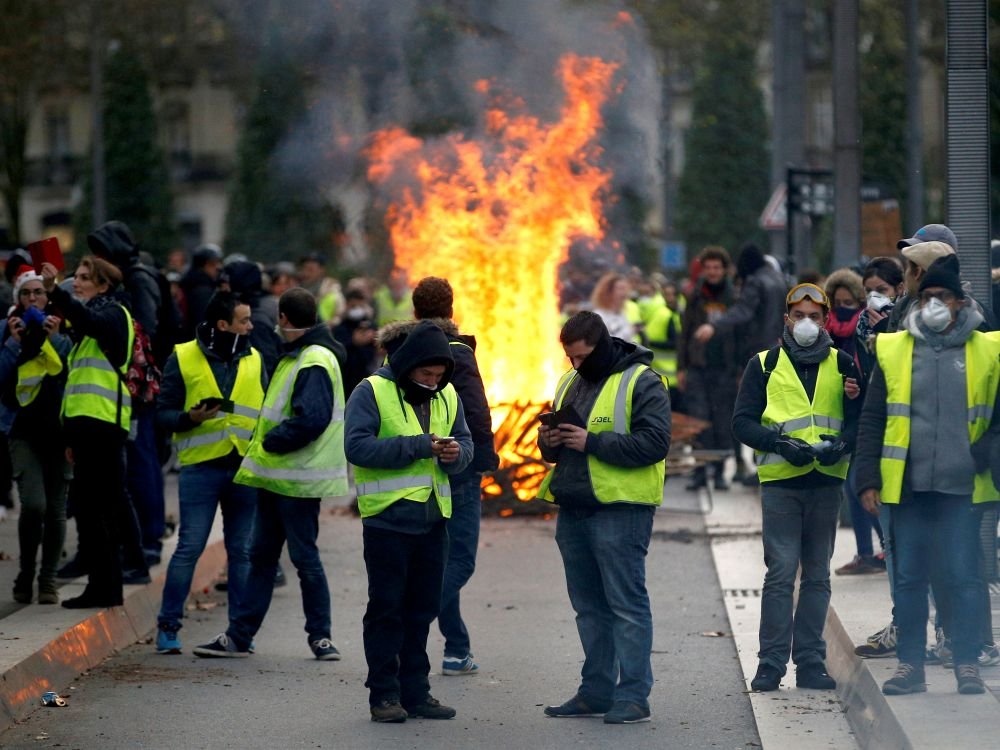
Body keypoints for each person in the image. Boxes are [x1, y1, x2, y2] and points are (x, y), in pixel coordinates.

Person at [854, 253, 1000, 697]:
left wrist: (988, 449)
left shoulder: (988, 348)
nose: (934, 304)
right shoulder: (896, 349)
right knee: (911, 579)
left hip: (963, 487)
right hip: (909, 487)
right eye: (928, 297)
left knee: (965, 577)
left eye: (943, 297)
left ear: (960, 302)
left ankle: (967, 663)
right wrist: (867, 478)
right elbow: (873, 416)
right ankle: (910, 667)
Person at [194, 288, 348, 660]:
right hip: (279, 479)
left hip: (294, 479)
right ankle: (241, 636)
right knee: (264, 558)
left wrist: (274, 442)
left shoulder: (312, 359)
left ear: (282, 319)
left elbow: (311, 417)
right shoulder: (301, 355)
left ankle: (318, 637)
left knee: (300, 559)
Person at [537, 311, 670, 725]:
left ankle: (632, 696)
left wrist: (591, 442)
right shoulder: (569, 381)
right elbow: (557, 451)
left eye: (582, 357)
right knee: (589, 608)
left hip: (621, 508)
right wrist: (550, 441)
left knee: (625, 604)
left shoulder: (641, 380)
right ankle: (595, 691)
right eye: (570, 358)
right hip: (575, 504)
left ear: (603, 344)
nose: (576, 365)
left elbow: (654, 443)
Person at [732, 283, 861, 692]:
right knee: (781, 573)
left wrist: (843, 443)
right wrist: (778, 443)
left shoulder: (843, 365)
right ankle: (770, 664)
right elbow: (742, 421)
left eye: (815, 316)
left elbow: (862, 421)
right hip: (781, 484)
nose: (807, 323)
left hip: (825, 482)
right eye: (799, 315)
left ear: (825, 321)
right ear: (786, 318)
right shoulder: (764, 365)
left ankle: (810, 663)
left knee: (818, 575)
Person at [345, 319, 473, 723]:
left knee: (421, 611)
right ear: (409, 366)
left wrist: (457, 456)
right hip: (387, 521)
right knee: (386, 610)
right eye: (426, 375)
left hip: (433, 520)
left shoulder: (448, 394)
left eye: (439, 376)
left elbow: (466, 441)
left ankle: (416, 692)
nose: (433, 383)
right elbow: (357, 446)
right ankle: (384, 694)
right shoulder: (371, 391)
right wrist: (420, 446)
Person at [154, 291, 265, 654]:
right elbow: (162, 413)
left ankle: (239, 633)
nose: (251, 326)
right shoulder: (183, 356)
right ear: (223, 325)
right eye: (244, 320)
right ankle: (168, 627)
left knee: (242, 552)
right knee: (189, 547)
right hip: (200, 468)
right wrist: (190, 418)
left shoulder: (255, 358)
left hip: (243, 468)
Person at [410, 276, 500, 676]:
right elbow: (476, 409)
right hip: (456, 464)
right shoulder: (457, 351)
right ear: (451, 310)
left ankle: (456, 648)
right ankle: (408, 625)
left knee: (439, 557)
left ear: (414, 312)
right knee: (459, 559)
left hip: (414, 467)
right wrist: (484, 457)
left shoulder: (398, 351)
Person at [40, 257, 134, 608]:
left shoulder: (112, 315)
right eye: (75, 277)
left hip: (103, 427)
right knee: (92, 510)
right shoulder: (94, 321)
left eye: (83, 278)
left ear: (103, 285)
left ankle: (106, 588)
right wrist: (69, 436)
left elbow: (87, 320)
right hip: (87, 428)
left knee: (101, 511)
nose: (75, 283)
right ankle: (101, 586)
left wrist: (54, 292)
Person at [0, 269, 70, 604]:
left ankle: (48, 580)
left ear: (48, 297)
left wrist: (54, 339)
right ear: (18, 299)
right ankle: (26, 572)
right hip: (22, 431)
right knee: (34, 505)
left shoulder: (61, 329)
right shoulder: (6, 331)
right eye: (26, 294)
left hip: (59, 432)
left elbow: (71, 372)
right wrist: (13, 346)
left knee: (56, 509)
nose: (32, 299)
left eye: (39, 293)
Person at [678, 246, 741, 490]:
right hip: (698, 368)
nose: (713, 272)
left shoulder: (734, 297)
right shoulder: (694, 296)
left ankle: (720, 472)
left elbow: (740, 336)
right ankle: (699, 471)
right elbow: (684, 334)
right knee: (698, 421)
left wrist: (738, 370)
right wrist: (682, 367)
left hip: (724, 369)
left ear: (724, 270)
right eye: (708, 268)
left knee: (722, 421)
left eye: (717, 267)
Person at [332, 288, 378, 394]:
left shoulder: (371, 327)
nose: (357, 310)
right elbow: (337, 350)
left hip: (368, 381)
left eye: (361, 306)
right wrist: (353, 341)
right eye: (353, 306)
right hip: (345, 382)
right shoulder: (339, 328)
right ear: (347, 305)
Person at [180, 244, 223, 340]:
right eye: (213, 264)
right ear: (203, 266)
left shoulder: (193, 283)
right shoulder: (202, 290)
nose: (218, 268)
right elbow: (202, 322)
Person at [298, 252, 345, 325]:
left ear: (322, 270)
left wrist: (328, 325)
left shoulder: (332, 290)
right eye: (304, 269)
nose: (306, 273)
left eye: (311, 270)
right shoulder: (297, 289)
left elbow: (340, 315)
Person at [589, 272, 637, 342]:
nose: (625, 293)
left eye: (626, 288)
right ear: (608, 292)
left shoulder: (622, 314)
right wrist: (630, 331)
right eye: (620, 288)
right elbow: (607, 342)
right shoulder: (599, 316)